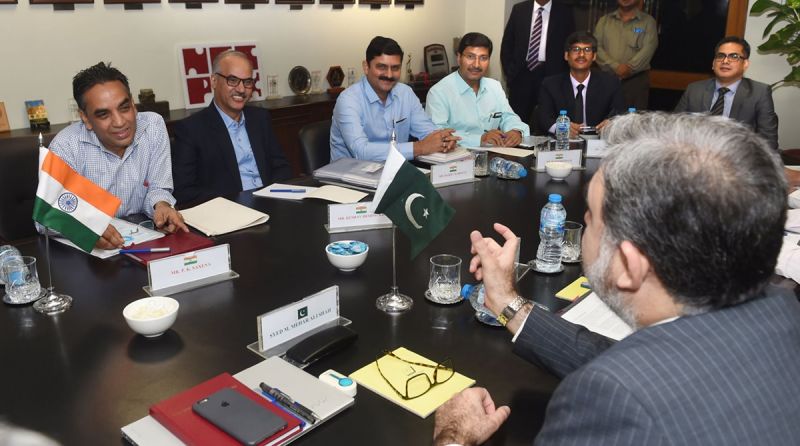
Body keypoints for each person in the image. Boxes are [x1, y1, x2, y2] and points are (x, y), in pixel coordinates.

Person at [433, 112, 800, 445]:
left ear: (628, 265)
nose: (585, 224)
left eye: (590, 217)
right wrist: (506, 302)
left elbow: (629, 387)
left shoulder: (613, 407)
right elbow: (652, 367)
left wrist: (455, 439)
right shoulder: (781, 309)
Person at [48, 62, 187, 250]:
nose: (120, 122)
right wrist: (86, 226)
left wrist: (161, 206)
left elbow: (158, 187)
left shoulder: (153, 126)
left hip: (142, 241)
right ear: (86, 119)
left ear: (133, 105)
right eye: (104, 115)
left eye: (124, 108)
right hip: (92, 257)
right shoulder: (66, 146)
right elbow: (46, 218)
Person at [172, 50, 292, 205]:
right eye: (233, 80)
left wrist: (270, 196)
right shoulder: (191, 130)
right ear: (214, 81)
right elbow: (184, 191)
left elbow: (282, 168)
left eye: (247, 82)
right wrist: (235, 203)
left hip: (270, 204)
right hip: (227, 213)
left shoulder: (260, 118)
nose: (241, 89)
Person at [330, 36, 458, 162]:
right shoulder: (348, 100)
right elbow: (361, 151)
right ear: (366, 67)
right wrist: (419, 147)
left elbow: (427, 131)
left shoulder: (405, 93)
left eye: (395, 68)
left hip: (395, 173)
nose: (389, 75)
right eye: (382, 67)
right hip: (351, 176)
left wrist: (443, 139)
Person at [426, 32, 529, 148]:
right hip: (456, 158)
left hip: (494, 154)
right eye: (470, 57)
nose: (476, 64)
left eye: (483, 58)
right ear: (459, 58)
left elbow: (508, 117)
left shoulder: (494, 87)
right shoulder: (439, 92)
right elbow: (437, 134)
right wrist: (480, 139)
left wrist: (516, 131)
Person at [675, 36, 779, 150]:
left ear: (745, 64)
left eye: (734, 56)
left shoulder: (759, 93)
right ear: (713, 63)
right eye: (721, 56)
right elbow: (674, 129)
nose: (725, 61)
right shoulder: (694, 89)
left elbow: (768, 142)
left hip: (739, 160)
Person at [501, 0, 575, 127]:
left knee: (548, 122)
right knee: (516, 123)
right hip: (521, 75)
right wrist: (511, 74)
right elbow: (507, 44)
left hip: (552, 76)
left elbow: (570, 45)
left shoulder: (564, 12)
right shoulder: (519, 9)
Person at [536, 31, 624, 137]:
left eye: (587, 50)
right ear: (566, 55)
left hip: (598, 142)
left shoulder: (610, 83)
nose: (581, 54)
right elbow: (543, 117)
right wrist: (559, 128)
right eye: (575, 49)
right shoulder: (551, 84)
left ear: (594, 56)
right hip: (563, 143)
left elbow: (620, 112)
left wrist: (612, 123)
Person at [594, 0, 658, 110]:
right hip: (606, 79)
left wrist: (630, 68)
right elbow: (596, 47)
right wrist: (616, 67)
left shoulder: (648, 22)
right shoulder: (604, 21)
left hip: (635, 81)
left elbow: (649, 48)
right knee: (604, 120)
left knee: (633, 122)